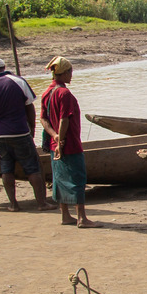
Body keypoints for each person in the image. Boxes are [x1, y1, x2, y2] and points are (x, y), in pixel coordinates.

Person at [0, 58, 50, 211]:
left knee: (6, 169)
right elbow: (30, 107)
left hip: (0, 135)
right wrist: (31, 129)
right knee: (33, 168)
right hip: (20, 132)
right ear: (3, 67)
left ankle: (13, 204)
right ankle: (41, 203)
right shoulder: (18, 81)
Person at [41, 56, 100, 228]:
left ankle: (65, 215)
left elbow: (43, 120)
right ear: (64, 73)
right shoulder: (63, 93)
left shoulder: (47, 92)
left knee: (59, 178)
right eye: (70, 72)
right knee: (77, 179)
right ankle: (82, 218)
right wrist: (61, 140)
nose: (71, 76)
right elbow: (64, 119)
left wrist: (54, 136)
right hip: (69, 145)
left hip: (56, 144)